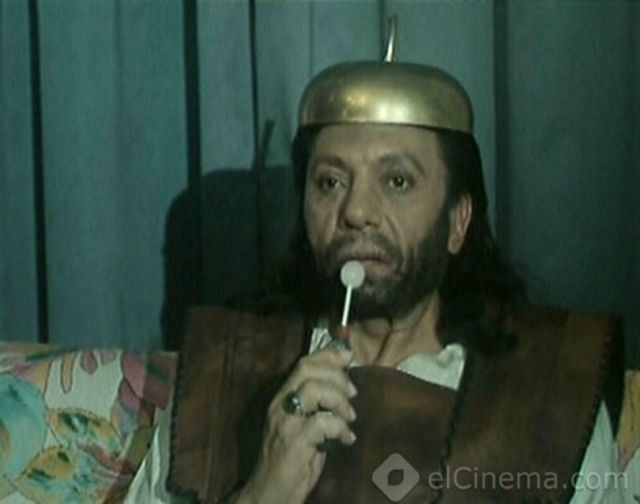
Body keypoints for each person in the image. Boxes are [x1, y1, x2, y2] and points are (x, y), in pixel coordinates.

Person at [129, 21, 624, 504]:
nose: (357, 211)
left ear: (458, 221)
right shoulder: (226, 369)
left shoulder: (546, 391)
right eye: (330, 182)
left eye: (397, 181)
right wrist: (262, 493)